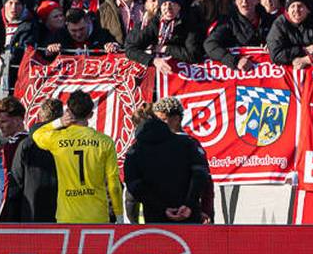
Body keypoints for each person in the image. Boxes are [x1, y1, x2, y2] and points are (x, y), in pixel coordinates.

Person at [31, 90, 124, 224]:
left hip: (67, 216)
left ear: (68, 111)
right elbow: (114, 184)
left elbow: (36, 133)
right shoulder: (105, 142)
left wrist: (59, 122)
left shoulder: (57, 139)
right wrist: (119, 215)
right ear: (91, 115)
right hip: (97, 215)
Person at [124, 97, 212, 224]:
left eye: (163, 120)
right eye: (158, 119)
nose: (160, 123)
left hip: (164, 216)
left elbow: (204, 179)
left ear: (176, 119)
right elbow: (201, 175)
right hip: (183, 214)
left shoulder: (189, 143)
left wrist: (204, 209)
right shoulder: (143, 146)